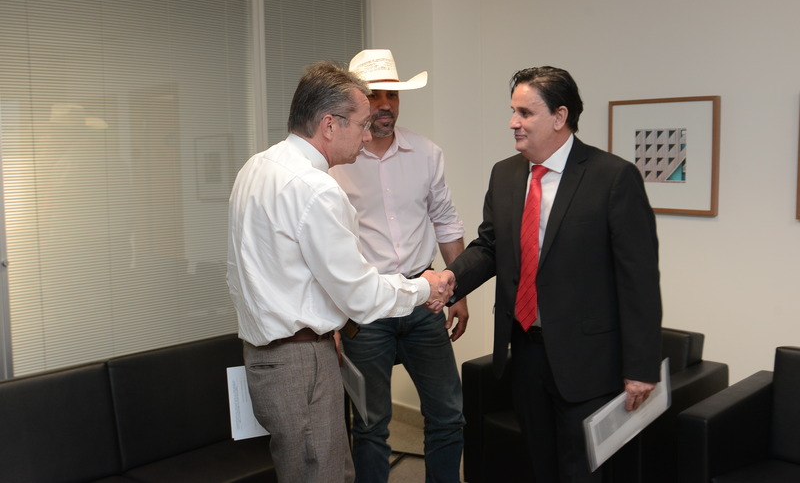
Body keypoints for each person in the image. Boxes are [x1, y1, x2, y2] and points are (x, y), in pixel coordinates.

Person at [227, 61, 453, 483]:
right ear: (330, 125)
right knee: (323, 473)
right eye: (362, 124)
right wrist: (425, 287)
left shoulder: (256, 167)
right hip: (301, 362)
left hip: (264, 358)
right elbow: (361, 295)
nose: (367, 136)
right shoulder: (316, 188)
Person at [442, 66, 663, 482]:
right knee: (539, 466)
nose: (513, 122)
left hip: (589, 362)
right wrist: (450, 280)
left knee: (582, 473)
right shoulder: (505, 174)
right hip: (526, 353)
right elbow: (490, 247)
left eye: (525, 113)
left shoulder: (613, 177)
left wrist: (641, 366)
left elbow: (639, 281)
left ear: (560, 117)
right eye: (513, 111)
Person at [329, 49, 467, 483]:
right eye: (375, 96)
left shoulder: (426, 153)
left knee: (448, 414)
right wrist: (331, 319)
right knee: (370, 425)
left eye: (392, 95)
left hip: (424, 300)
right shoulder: (335, 164)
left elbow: (446, 221)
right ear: (356, 101)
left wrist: (459, 291)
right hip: (367, 307)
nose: (385, 104)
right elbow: (324, 249)